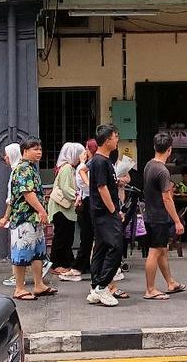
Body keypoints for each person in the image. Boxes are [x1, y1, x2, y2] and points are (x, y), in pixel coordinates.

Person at [9, 137, 57, 301]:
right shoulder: (23, 169)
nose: (39, 152)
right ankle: (19, 288)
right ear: (25, 151)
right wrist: (42, 210)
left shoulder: (31, 169)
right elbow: (27, 193)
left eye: (40, 149)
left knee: (38, 253)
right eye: (34, 149)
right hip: (24, 218)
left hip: (34, 218)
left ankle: (39, 284)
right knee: (21, 253)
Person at [142, 132, 186, 300]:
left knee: (162, 250)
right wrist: (177, 221)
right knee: (155, 251)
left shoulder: (149, 165)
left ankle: (170, 282)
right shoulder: (162, 171)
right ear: (170, 150)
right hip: (158, 217)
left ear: (154, 147)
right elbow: (167, 198)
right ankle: (150, 289)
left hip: (151, 214)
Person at [87, 124, 123, 307]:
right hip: (105, 212)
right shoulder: (100, 161)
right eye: (116, 136)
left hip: (100, 212)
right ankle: (102, 286)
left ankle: (95, 287)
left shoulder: (100, 160)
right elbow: (102, 188)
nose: (117, 140)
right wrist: (113, 211)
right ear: (107, 139)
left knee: (100, 248)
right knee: (116, 246)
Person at [49, 142, 85, 280]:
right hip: (62, 209)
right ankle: (56, 264)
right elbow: (65, 188)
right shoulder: (67, 168)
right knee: (62, 236)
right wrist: (77, 195)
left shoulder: (65, 167)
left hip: (63, 209)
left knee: (65, 236)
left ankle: (65, 261)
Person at [75, 139, 97, 274]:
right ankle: (85, 264)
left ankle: (80, 265)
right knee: (90, 236)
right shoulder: (102, 162)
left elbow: (81, 182)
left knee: (87, 235)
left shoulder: (86, 166)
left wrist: (82, 163)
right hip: (90, 200)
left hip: (89, 201)